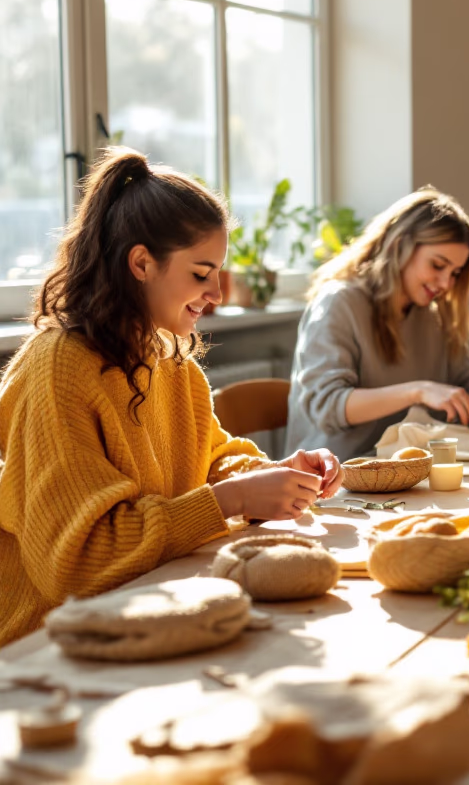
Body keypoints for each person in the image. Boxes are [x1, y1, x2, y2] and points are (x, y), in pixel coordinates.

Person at [0, 148, 343, 647]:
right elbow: (76, 565)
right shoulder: (60, 369)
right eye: (201, 273)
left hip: (148, 607)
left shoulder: (169, 358)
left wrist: (274, 476)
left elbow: (210, 460)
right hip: (51, 642)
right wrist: (236, 499)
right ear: (141, 263)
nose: (217, 294)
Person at [286, 187, 469, 460]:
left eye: (455, 273)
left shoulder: (431, 313)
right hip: (336, 479)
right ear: (400, 246)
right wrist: (417, 391)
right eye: (437, 265)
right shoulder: (338, 303)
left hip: (405, 471)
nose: (446, 283)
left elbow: (463, 377)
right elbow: (328, 407)